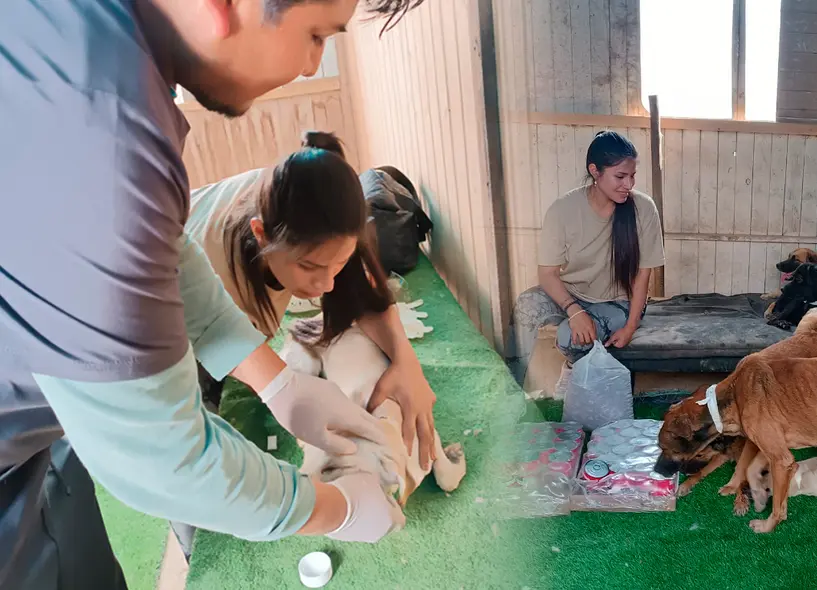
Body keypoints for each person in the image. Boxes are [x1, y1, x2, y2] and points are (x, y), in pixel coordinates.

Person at [0, 1, 427, 589]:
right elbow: (166, 461)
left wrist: (279, 382)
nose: (310, 66)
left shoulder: (103, 52)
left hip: (34, 436)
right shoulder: (99, 130)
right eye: (314, 36)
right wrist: (335, 507)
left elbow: (169, 253)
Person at [186, 131, 437, 469]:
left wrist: (406, 363)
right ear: (261, 235)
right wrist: (282, 388)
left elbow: (364, 294)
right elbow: (217, 342)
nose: (327, 283)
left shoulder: (320, 216)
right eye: (308, 266)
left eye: (339, 263)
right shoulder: (209, 270)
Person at [511, 131, 666, 382]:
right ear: (595, 171)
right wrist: (574, 311)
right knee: (525, 307)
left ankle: (572, 380)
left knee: (569, 338)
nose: (629, 184)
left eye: (632, 176)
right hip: (571, 295)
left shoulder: (644, 209)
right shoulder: (562, 210)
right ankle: (511, 390)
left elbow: (642, 275)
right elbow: (548, 274)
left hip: (618, 302)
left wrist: (630, 326)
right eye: (620, 176)